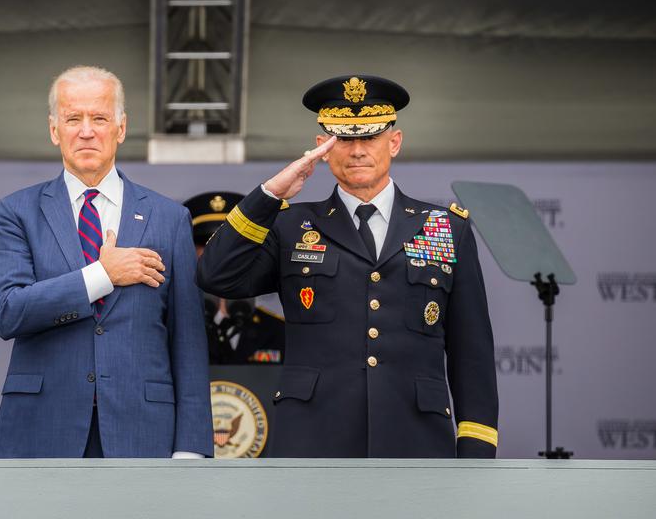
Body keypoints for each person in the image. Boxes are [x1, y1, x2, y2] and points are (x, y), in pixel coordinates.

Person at [197, 75, 498, 457]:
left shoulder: (444, 226)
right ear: (322, 147)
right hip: (312, 439)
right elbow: (217, 275)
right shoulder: (290, 224)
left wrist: (476, 448)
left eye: (370, 137)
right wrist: (270, 195)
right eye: (344, 139)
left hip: (416, 439)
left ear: (395, 142)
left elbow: (470, 351)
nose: (357, 150)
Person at [0, 66, 212, 458]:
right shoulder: (17, 212)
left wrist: (191, 447)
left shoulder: (168, 217)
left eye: (100, 118)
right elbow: (8, 312)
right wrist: (101, 275)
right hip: (42, 429)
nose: (86, 131)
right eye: (73, 118)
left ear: (121, 129)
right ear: (54, 130)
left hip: (143, 431)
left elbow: (188, 341)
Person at [183, 191, 285, 365]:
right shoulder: (175, 328)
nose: (218, 254)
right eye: (205, 242)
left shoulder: (281, 331)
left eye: (232, 247)